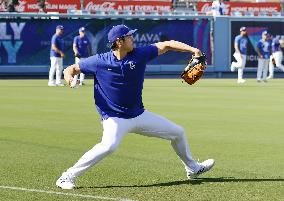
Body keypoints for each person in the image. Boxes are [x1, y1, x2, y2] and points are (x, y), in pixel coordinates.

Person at [56, 24, 215, 189]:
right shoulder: (99, 61)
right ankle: (66, 177)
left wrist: (193, 50)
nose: (133, 39)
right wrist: (69, 79)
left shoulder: (140, 54)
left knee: (178, 133)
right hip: (114, 117)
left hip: (139, 115)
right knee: (109, 146)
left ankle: (192, 168)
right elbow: (71, 69)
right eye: (129, 36)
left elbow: (167, 45)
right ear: (119, 41)